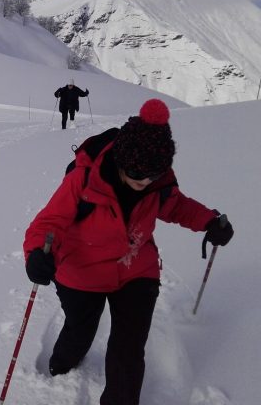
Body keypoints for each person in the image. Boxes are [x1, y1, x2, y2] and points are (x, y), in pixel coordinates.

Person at [22, 99, 233, 405]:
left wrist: (209, 221)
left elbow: (175, 205)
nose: (144, 181)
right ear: (121, 160)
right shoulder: (83, 179)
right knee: (80, 330)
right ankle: (61, 366)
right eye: (137, 174)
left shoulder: (155, 184)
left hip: (135, 269)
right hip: (82, 273)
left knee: (129, 348)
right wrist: (36, 254)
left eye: (152, 175)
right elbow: (50, 221)